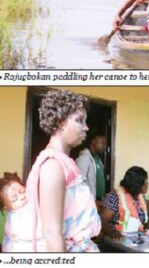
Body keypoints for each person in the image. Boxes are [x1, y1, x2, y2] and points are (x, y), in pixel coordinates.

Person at [22, 89, 101, 252]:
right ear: (60, 122)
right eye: (80, 120)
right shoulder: (53, 166)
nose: (86, 127)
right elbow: (52, 234)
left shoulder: (66, 163)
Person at [100, 166, 149, 239]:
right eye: (144, 182)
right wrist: (112, 232)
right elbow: (102, 221)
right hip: (118, 241)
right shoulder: (114, 196)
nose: (147, 184)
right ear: (136, 184)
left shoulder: (140, 197)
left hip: (137, 238)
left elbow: (143, 221)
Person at [1, 172, 32, 252]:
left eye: (23, 191)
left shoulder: (29, 205)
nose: (22, 197)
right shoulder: (15, 219)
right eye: (14, 199)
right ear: (5, 207)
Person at [75, 135, 107, 201]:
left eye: (105, 144)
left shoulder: (98, 159)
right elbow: (78, 182)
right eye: (102, 143)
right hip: (89, 201)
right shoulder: (84, 158)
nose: (104, 146)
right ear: (93, 142)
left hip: (99, 200)